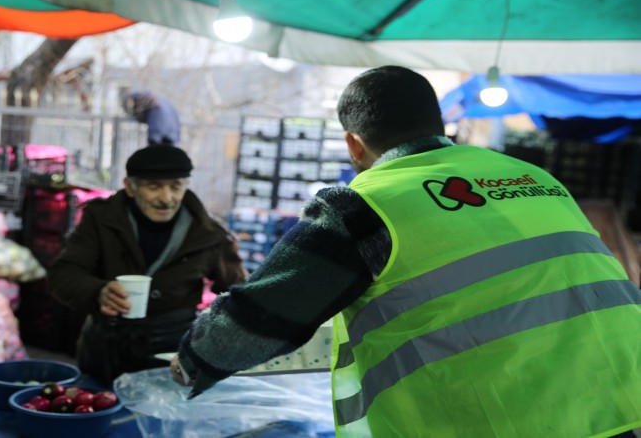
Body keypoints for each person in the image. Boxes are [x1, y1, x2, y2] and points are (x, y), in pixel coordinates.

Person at [170, 66, 641, 437]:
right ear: (437, 124)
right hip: (622, 404)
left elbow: (263, 315)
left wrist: (194, 358)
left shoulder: (365, 205)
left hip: (506, 422)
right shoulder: (535, 179)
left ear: (354, 144)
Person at [49, 144, 247, 387]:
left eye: (176, 186)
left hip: (174, 353)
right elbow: (64, 273)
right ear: (131, 187)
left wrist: (213, 342)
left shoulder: (209, 235)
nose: (166, 198)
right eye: (154, 187)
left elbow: (239, 296)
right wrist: (97, 292)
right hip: (105, 349)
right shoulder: (100, 220)